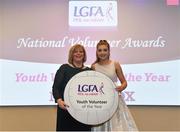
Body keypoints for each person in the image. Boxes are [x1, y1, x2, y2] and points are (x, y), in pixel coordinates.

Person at [91, 40, 138, 131]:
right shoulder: (94, 66)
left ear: (109, 51)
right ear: (97, 52)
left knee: (117, 126)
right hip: (100, 101)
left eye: (105, 50)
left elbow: (124, 82)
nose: (102, 52)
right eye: (100, 50)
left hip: (115, 99)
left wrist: (121, 87)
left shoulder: (115, 64)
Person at [52, 44, 91, 131]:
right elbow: (56, 87)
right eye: (75, 52)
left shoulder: (89, 71)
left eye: (81, 52)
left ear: (84, 55)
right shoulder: (64, 68)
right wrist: (59, 100)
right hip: (66, 110)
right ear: (71, 54)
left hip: (83, 112)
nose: (78, 54)